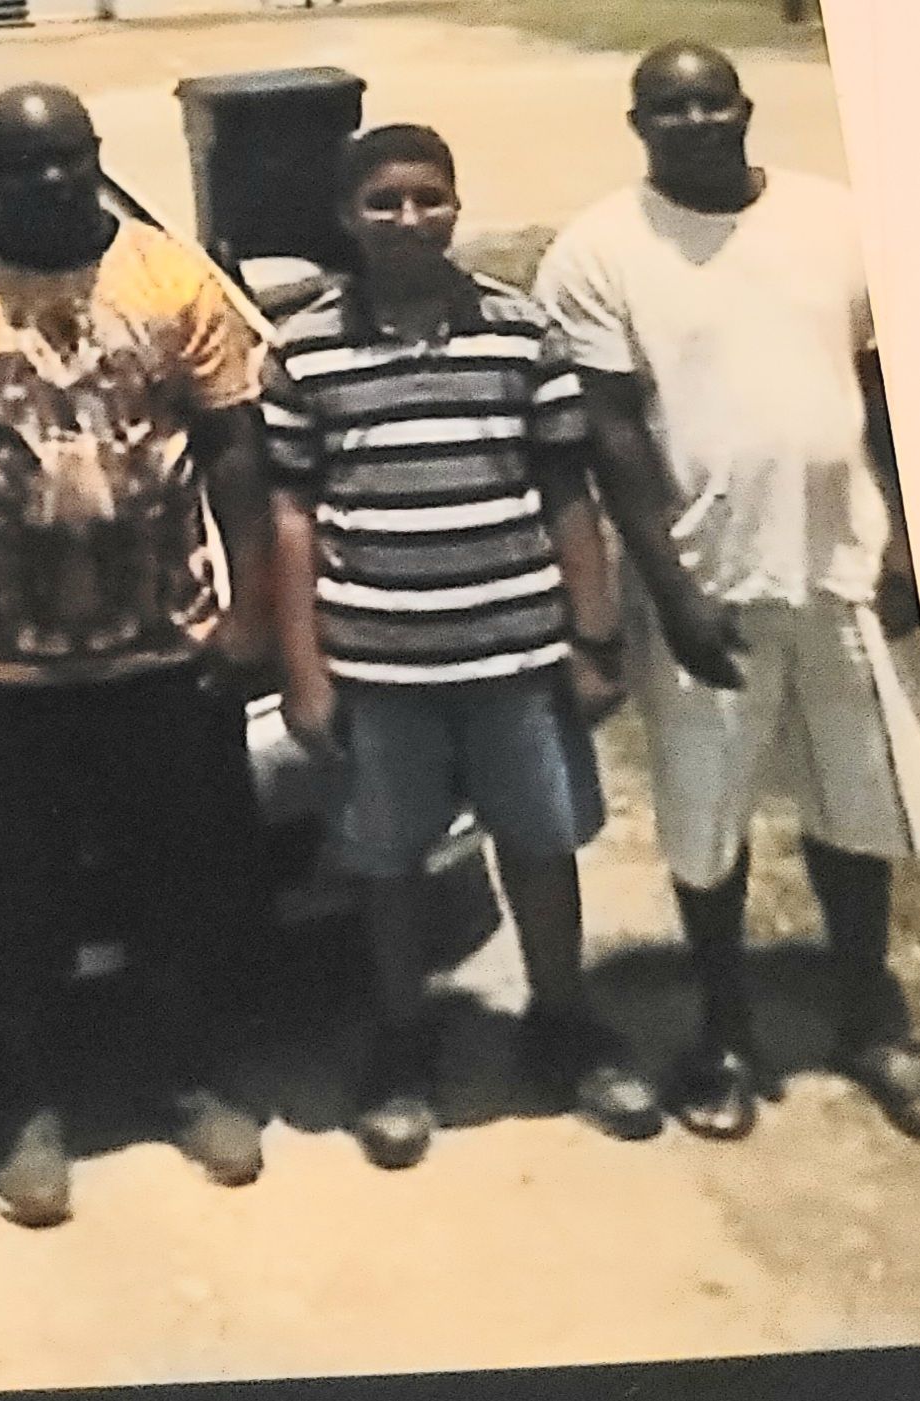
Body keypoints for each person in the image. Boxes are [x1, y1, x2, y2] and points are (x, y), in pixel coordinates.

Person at [0, 84, 275, 1228]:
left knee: (181, 889)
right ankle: (22, 1112)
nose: (47, 179)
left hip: (163, 655)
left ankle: (184, 1082)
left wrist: (249, 612)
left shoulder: (175, 281)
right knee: (6, 912)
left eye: (65, 157)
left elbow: (234, 449)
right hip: (2, 672)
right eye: (20, 163)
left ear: (94, 156)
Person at [535, 43, 920, 1140]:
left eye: (711, 101)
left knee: (860, 802)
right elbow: (611, 431)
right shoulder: (599, 249)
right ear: (637, 124)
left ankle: (868, 1018)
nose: (694, 120)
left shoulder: (836, 219)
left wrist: (902, 541)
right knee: (708, 817)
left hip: (842, 563)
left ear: (744, 108)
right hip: (705, 579)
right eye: (669, 107)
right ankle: (723, 1029)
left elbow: (882, 387)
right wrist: (669, 587)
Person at [262, 124, 665, 1170]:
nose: (407, 220)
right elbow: (292, 514)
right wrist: (304, 668)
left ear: (454, 204)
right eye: (382, 202)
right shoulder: (304, 349)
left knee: (539, 841)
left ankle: (562, 1021)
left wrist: (594, 635)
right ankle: (401, 1039)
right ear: (345, 217)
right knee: (387, 861)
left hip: (515, 655)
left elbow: (566, 489)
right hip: (379, 665)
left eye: (427, 198)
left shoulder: (517, 331)